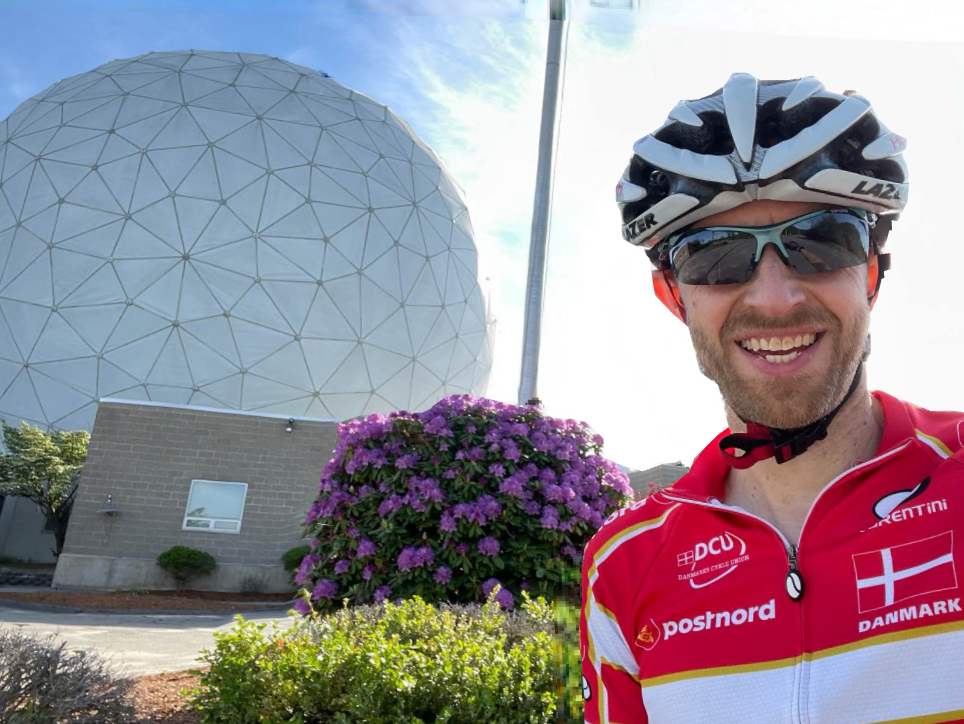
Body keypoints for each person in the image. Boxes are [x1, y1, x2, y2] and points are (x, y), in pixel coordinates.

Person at [580, 73, 964, 723]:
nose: (775, 299)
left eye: (822, 241)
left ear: (870, 273)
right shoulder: (623, 568)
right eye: (715, 255)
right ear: (674, 298)